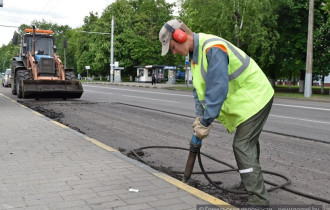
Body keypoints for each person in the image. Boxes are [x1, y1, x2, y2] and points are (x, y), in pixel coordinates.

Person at [159, 19, 274, 206]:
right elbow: (199, 90)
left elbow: (217, 88)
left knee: (242, 145)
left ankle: (259, 201)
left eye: (172, 47)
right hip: (247, 101)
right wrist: (199, 116)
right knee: (248, 144)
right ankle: (250, 184)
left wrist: (206, 122)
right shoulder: (194, 57)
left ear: (181, 36)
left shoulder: (212, 48)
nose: (173, 52)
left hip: (256, 97)